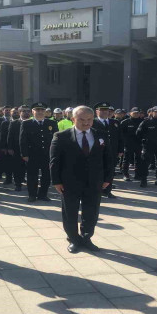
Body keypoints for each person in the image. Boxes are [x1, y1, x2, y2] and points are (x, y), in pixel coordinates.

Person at [50, 106, 113, 253]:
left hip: (94, 181)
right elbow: (54, 161)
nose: (86, 123)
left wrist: (107, 178)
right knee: (70, 212)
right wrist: (56, 181)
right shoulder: (61, 136)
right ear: (73, 119)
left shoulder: (101, 135)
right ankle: (73, 239)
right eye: (82, 120)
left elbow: (108, 159)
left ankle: (86, 237)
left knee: (91, 211)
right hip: (69, 182)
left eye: (89, 120)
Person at [20, 102, 58, 202]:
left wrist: (55, 154)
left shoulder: (52, 123)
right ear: (33, 111)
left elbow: (56, 140)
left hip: (47, 155)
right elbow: (23, 140)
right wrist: (24, 154)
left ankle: (43, 194)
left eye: (42, 110)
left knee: (46, 175)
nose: (40, 112)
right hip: (32, 154)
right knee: (32, 175)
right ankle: (32, 195)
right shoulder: (26, 123)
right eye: (37, 110)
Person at [91, 102, 122, 198]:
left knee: (110, 171)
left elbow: (120, 138)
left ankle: (107, 191)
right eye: (102, 110)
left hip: (112, 151)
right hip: (98, 152)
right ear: (97, 111)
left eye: (107, 110)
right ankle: (97, 190)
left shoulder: (115, 122)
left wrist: (120, 150)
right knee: (97, 171)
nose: (105, 112)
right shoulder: (93, 122)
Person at [137, 107, 157, 187]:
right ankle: (143, 180)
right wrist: (144, 140)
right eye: (156, 112)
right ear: (152, 112)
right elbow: (138, 133)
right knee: (145, 163)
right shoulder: (146, 122)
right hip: (149, 146)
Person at [7, 105, 31, 191]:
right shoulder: (14, 123)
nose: (26, 113)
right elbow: (10, 136)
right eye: (24, 111)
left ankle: (31, 184)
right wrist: (9, 148)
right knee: (17, 167)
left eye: (28, 111)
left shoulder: (33, 122)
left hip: (30, 149)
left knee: (30, 168)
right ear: (20, 112)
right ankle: (18, 184)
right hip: (17, 149)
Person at [120, 107, 144, 183]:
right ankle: (125, 174)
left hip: (139, 144)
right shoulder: (125, 122)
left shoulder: (142, 122)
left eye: (137, 113)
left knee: (138, 160)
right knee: (126, 160)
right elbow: (121, 134)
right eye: (134, 113)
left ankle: (137, 175)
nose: (136, 114)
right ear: (130, 113)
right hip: (128, 144)